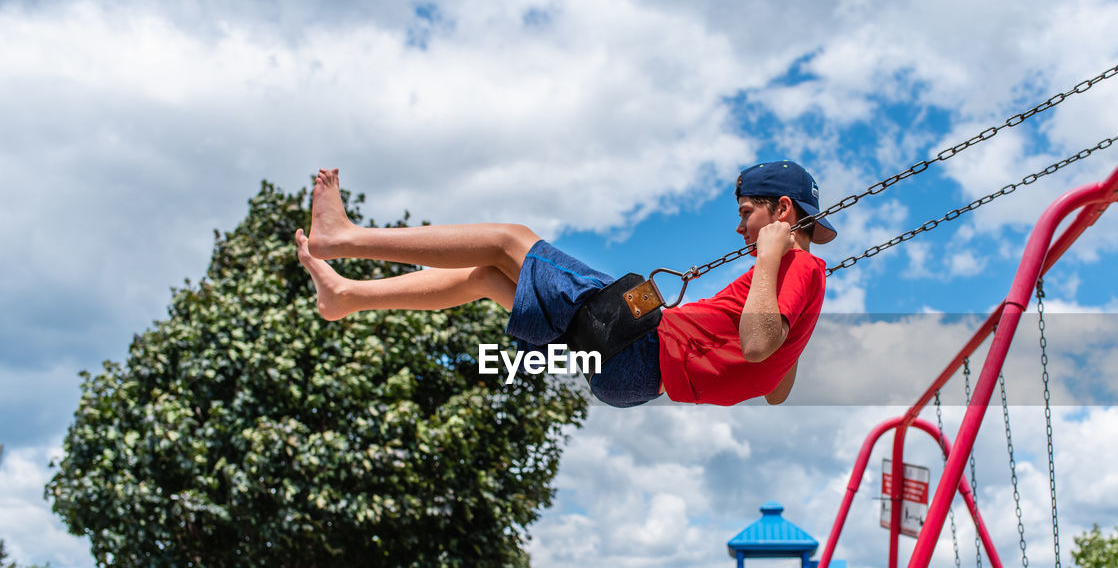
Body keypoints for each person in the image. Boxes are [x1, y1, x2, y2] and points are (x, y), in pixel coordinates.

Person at [296, 161, 834, 407]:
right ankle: (347, 297)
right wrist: (792, 326)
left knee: (509, 240)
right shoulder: (796, 284)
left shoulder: (793, 268)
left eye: (746, 213)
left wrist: (768, 262)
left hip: (638, 348)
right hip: (634, 377)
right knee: (488, 277)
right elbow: (775, 387)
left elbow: (761, 345)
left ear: (782, 209)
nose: (740, 228)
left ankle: (342, 238)